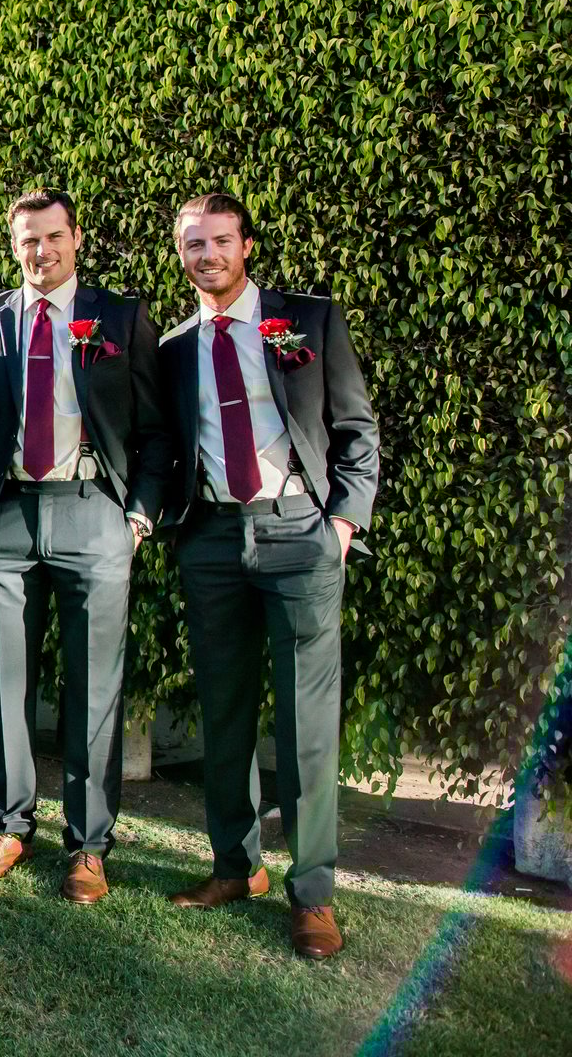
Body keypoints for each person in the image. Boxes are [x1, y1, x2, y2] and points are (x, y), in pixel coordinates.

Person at [158, 191, 378, 959]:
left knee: (305, 724)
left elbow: (356, 429)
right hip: (213, 539)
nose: (208, 255)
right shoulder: (175, 346)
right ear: (180, 253)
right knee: (223, 711)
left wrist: (341, 525)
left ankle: (312, 894)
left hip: (298, 532)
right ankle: (235, 867)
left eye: (220, 240)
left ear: (246, 245)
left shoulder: (307, 321)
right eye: (194, 243)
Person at [0, 189, 173, 902]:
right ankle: (10, 827)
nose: (41, 251)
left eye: (53, 236)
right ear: (14, 245)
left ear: (76, 238)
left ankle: (88, 846)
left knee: (94, 687)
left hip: (93, 510)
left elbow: (157, 429)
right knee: (7, 685)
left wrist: (137, 516)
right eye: (28, 239)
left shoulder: (120, 318)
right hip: (7, 518)